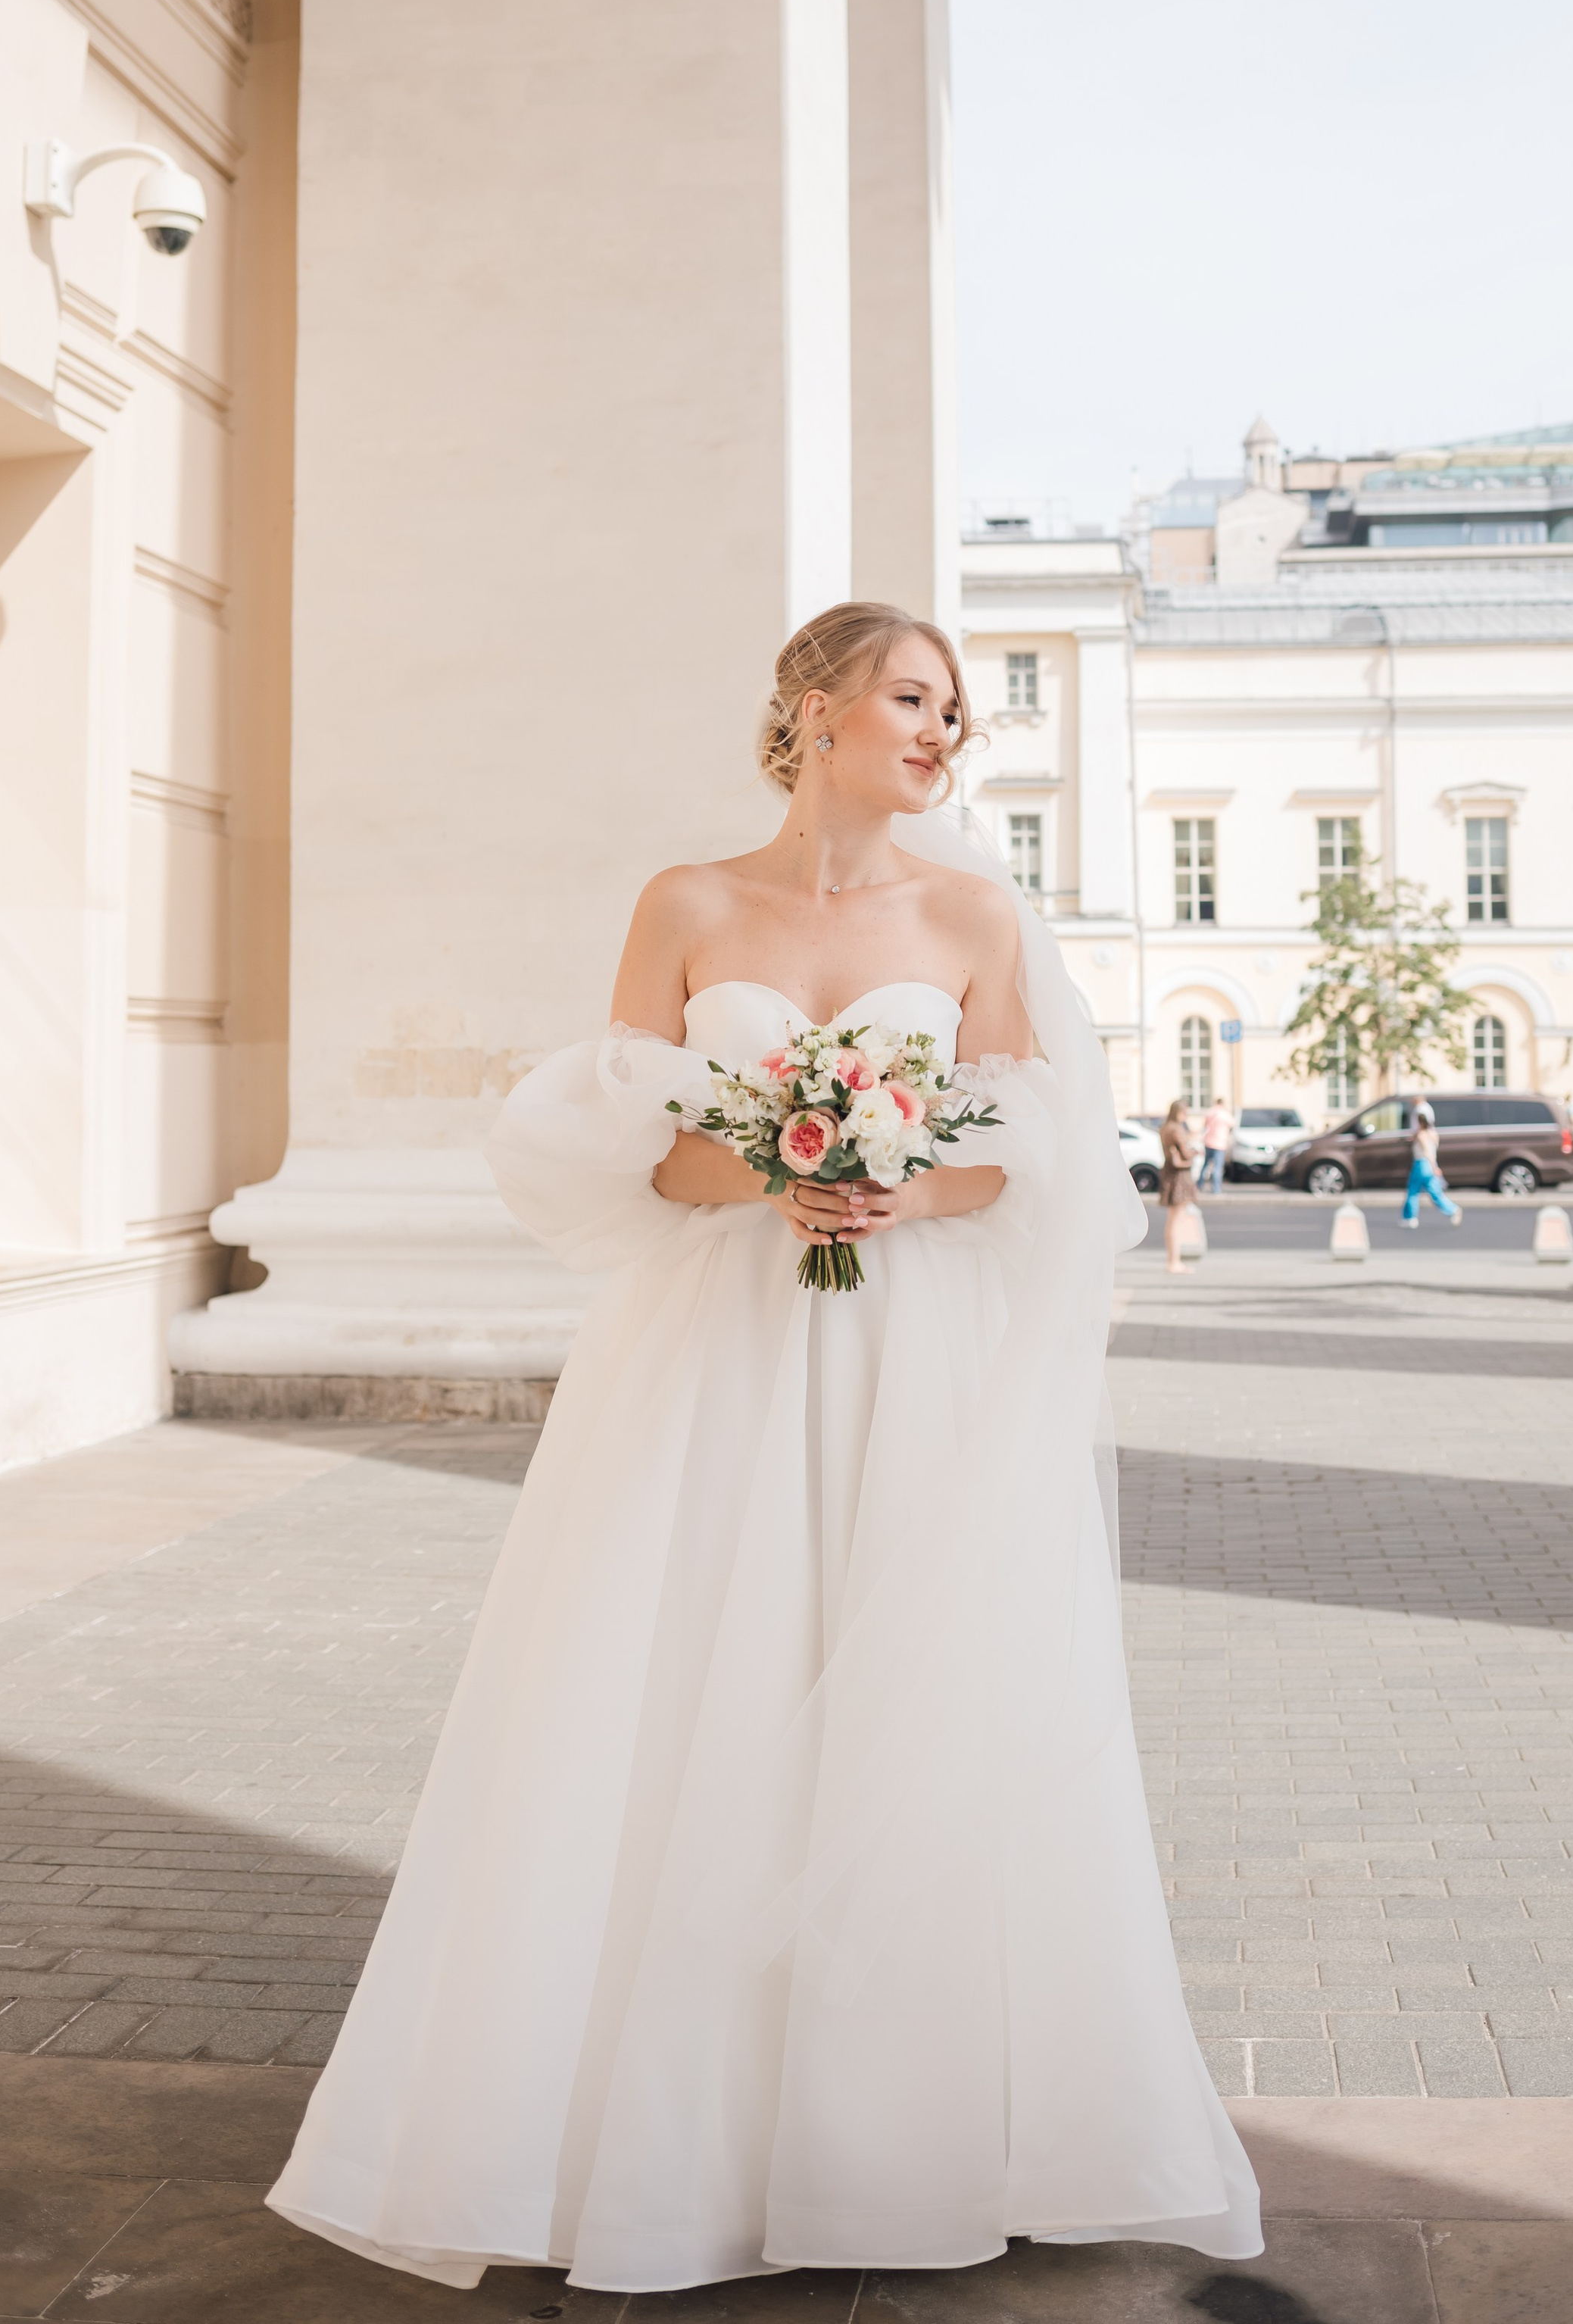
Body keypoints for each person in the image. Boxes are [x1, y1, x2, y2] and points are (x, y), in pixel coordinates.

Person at [267, 602, 1262, 2296]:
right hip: (712, 1358)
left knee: (901, 1703)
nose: (943, 730)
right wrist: (772, 1165)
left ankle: (905, 2140)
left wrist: (895, 1179)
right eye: (911, 695)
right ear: (812, 704)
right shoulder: (685, 902)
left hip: (908, 1361)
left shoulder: (972, 911)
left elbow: (1037, 1159)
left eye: (954, 710)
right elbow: (624, 1156)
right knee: (675, 1693)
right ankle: (659, 2148)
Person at [1159, 1095, 1204, 1270]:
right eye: (1185, 1113)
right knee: (1176, 1219)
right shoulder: (1176, 1129)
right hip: (1179, 1176)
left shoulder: (1164, 1127)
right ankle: (1174, 1261)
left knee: (1173, 1219)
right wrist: (1195, 1149)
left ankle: (1173, 1260)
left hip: (1170, 1173)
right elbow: (1185, 1153)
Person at [1401, 1098, 1462, 1226]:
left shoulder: (1421, 1135)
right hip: (1431, 1165)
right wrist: (1435, 1166)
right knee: (1436, 1192)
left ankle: (1410, 1218)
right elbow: (1433, 1149)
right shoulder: (1433, 1134)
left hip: (1422, 1164)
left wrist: (1434, 1166)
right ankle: (1453, 1209)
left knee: (1413, 1191)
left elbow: (1426, 1151)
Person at [1199, 1095, 1233, 1195]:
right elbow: (1231, 1125)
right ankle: (1216, 1188)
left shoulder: (1210, 1112)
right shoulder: (1225, 1114)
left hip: (1209, 1142)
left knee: (1205, 1165)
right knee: (1218, 1167)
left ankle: (1199, 1185)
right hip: (1220, 1143)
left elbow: (1205, 1125)